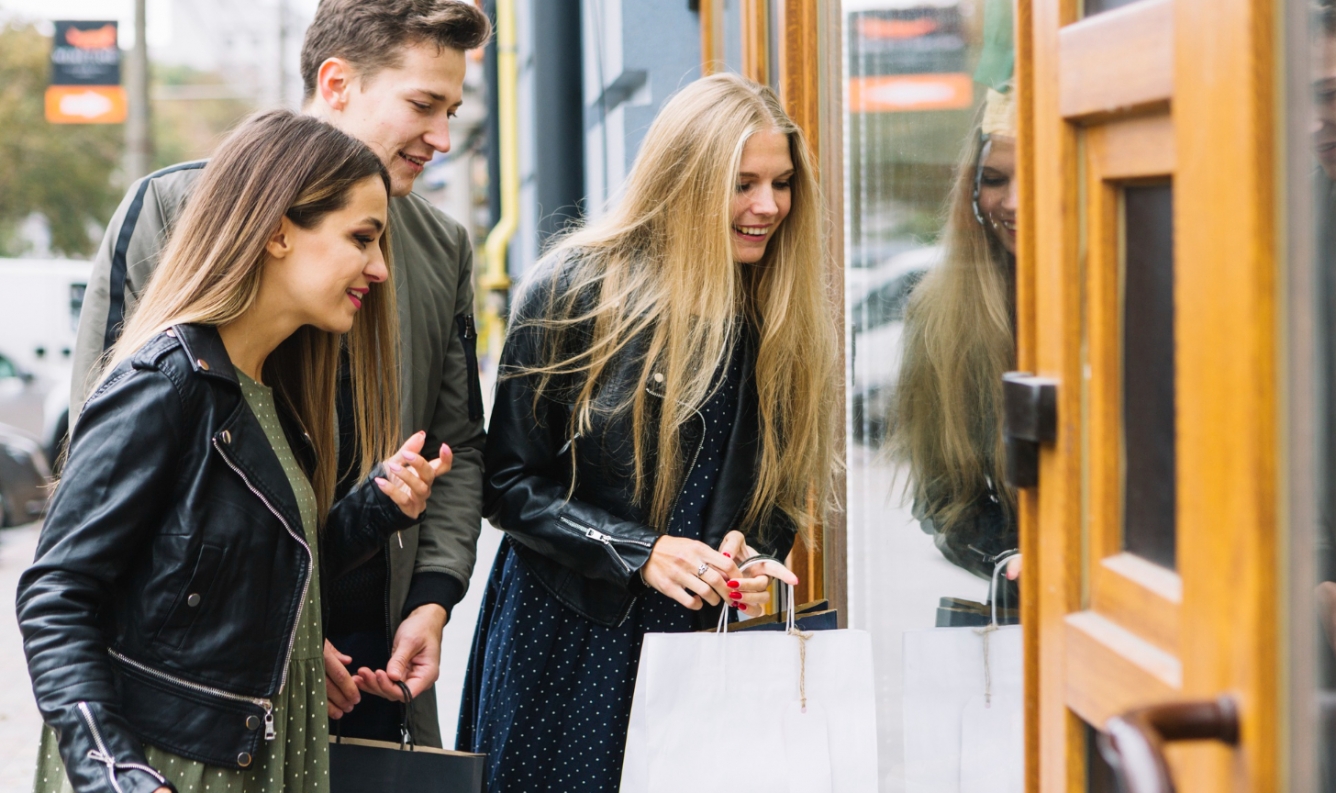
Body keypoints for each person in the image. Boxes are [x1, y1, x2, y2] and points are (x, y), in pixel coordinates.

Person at [66, 0, 491, 746]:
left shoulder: (442, 245)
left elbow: (455, 445)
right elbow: (99, 475)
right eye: (424, 105)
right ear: (336, 83)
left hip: (378, 665)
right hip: (208, 668)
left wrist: (433, 600)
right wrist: (280, 628)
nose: (442, 139)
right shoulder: (169, 208)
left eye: (452, 110)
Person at [19, 110, 450, 793]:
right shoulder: (165, 385)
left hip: (253, 757)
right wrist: (112, 770)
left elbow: (254, 575)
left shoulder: (268, 391)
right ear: (278, 230)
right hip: (173, 768)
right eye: (362, 237)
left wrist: (372, 510)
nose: (380, 267)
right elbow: (57, 593)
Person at [456, 73, 839, 791]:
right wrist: (640, 550)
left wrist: (752, 550)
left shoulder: (778, 307)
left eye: (782, 183)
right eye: (744, 183)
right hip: (569, 636)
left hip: (702, 641)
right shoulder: (572, 289)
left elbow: (780, 485)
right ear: (686, 179)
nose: (769, 206)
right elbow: (506, 483)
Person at [892, 86, 1022, 600]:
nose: (1011, 201)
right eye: (993, 180)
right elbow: (944, 494)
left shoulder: (1132, 286)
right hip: (1026, 605)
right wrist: (1007, 556)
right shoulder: (941, 312)